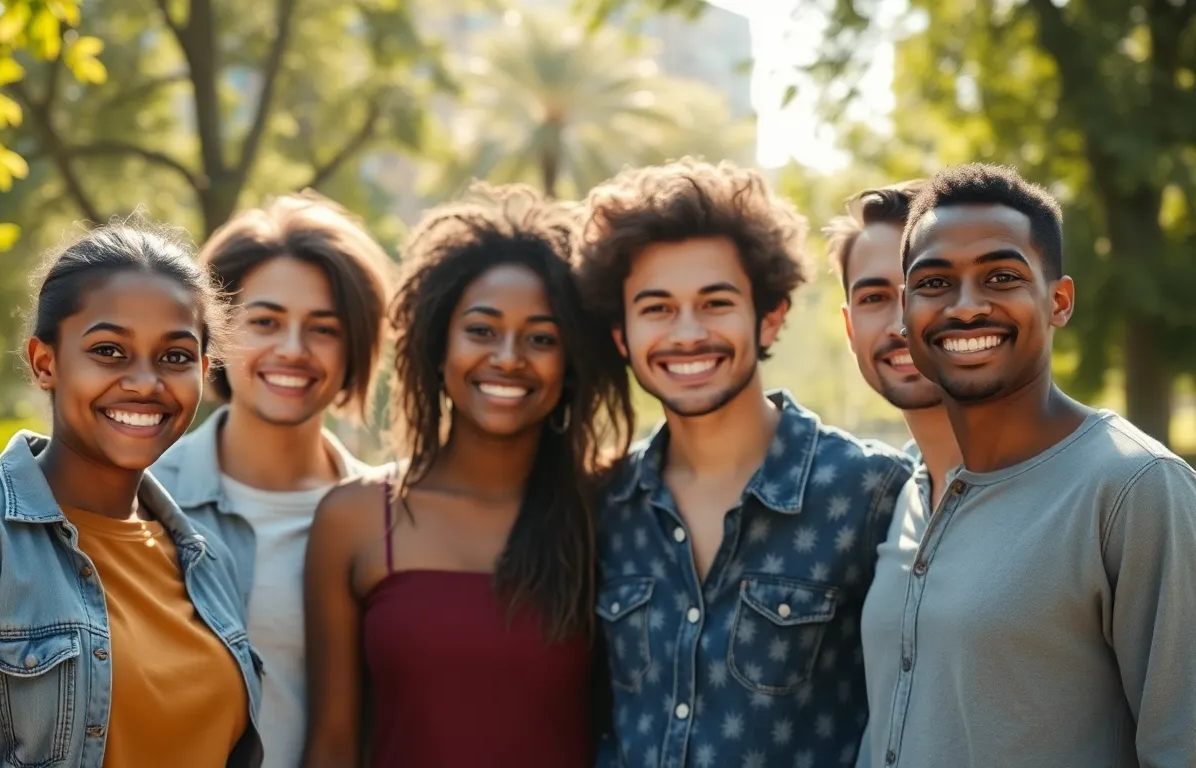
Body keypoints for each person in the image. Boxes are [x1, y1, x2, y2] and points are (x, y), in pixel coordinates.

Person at [0, 224, 263, 767]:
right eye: (109, 350)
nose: (146, 382)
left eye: (175, 356)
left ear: (204, 371)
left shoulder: (210, 561)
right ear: (45, 362)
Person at [575, 158, 914, 768]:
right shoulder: (605, 503)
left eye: (716, 302)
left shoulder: (873, 492)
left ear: (770, 317)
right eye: (656, 308)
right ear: (622, 336)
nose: (687, 333)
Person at [873, 162, 1196, 767]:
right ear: (906, 309)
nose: (966, 308)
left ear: (1059, 301)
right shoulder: (912, 492)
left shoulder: (1134, 489)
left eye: (1001, 276)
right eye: (935, 283)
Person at [301, 183, 633, 768]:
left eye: (541, 338)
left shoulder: (609, 510)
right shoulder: (353, 518)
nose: (508, 357)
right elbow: (332, 747)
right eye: (481, 330)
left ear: (572, 364)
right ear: (438, 347)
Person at [153, 192, 391, 767]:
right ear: (212, 333)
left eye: (323, 329)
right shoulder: (141, 499)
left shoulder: (393, 520)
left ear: (355, 348)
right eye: (265, 322)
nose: (292, 349)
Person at [823, 181, 963, 767]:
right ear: (849, 326)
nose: (902, 321)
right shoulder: (899, 498)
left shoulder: (1117, 488)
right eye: (875, 296)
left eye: (926, 286)